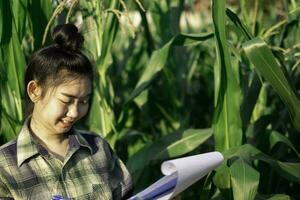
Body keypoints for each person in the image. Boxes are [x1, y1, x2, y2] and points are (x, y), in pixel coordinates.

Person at [0, 24, 132, 200]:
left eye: (84, 101)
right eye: (66, 101)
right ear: (34, 91)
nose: (74, 112)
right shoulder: (5, 167)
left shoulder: (98, 148)